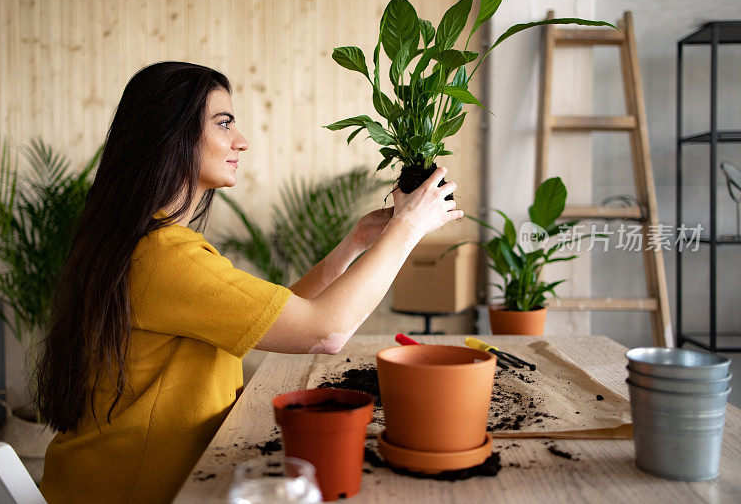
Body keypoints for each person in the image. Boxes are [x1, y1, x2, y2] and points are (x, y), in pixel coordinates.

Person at [35, 61, 463, 503]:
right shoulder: (166, 258)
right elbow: (325, 331)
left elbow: (282, 314)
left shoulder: (147, 244)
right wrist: (408, 228)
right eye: (224, 123)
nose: (241, 141)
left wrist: (356, 243)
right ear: (171, 135)